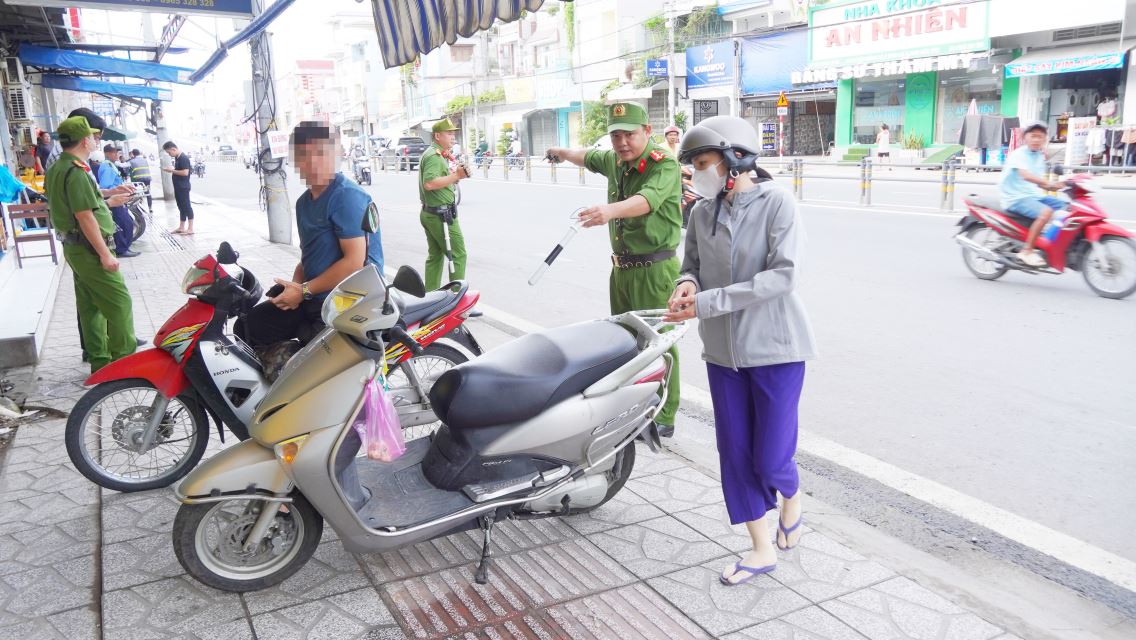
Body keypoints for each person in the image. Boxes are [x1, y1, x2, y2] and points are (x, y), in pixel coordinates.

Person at [664, 115, 816, 585]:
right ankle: (760, 546)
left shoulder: (778, 203)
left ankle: (790, 496)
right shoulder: (701, 213)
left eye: (703, 163)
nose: (696, 174)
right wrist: (687, 286)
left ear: (735, 158)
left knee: (771, 459)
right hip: (723, 353)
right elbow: (690, 265)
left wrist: (706, 302)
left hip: (776, 348)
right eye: (692, 166)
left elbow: (782, 276)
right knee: (734, 452)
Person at [545, 102, 683, 437]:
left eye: (629, 134)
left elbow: (647, 200)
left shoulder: (662, 165)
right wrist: (561, 151)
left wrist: (609, 211)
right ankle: (635, 402)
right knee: (625, 341)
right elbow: (587, 157)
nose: (622, 142)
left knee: (659, 341)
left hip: (654, 267)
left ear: (647, 131)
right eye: (616, 135)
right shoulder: (615, 160)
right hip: (622, 269)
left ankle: (664, 415)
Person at [236, 122, 384, 349]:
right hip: (316, 298)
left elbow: (354, 262)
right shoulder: (304, 203)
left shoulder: (346, 196)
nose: (313, 163)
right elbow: (309, 257)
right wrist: (294, 288)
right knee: (248, 326)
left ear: (336, 155)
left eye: (321, 154)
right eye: (304, 155)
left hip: (351, 304)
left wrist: (303, 291)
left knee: (311, 366)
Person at [46, 116, 137, 373]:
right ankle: (123, 365)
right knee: (119, 303)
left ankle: (100, 362)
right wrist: (105, 255)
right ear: (85, 140)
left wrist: (109, 198)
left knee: (90, 307)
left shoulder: (58, 167)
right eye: (94, 136)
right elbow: (84, 215)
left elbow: (79, 205)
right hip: (89, 248)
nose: (96, 140)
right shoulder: (76, 171)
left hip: (76, 247)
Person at [999, 120, 1067, 268]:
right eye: (1033, 136)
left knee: (1069, 208)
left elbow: (1038, 182)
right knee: (1046, 213)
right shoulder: (1018, 154)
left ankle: (1052, 243)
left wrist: (1061, 185)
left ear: (1045, 139)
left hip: (1033, 196)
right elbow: (1026, 176)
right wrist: (1048, 184)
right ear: (1025, 138)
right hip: (1015, 197)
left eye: (1040, 136)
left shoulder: (1039, 156)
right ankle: (1027, 251)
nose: (1036, 139)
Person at [419, 118, 470, 290]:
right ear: (437, 136)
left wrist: (454, 175)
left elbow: (438, 180)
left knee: (435, 256)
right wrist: (457, 176)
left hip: (431, 213)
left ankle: (430, 297)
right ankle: (456, 299)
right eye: (449, 133)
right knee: (458, 255)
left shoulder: (436, 153)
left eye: (453, 133)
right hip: (440, 215)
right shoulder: (434, 156)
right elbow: (430, 183)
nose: (453, 136)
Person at [96, 145, 139, 258]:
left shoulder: (110, 165)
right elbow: (105, 186)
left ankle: (123, 248)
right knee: (123, 224)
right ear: (107, 153)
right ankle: (121, 249)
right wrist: (117, 190)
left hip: (117, 197)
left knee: (126, 222)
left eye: (117, 152)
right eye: (114, 153)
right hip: (114, 199)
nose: (117, 155)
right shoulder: (107, 166)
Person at [161, 141, 194, 234]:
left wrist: (172, 171)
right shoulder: (177, 157)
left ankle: (190, 228)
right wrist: (172, 169)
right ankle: (181, 227)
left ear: (173, 149)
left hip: (183, 187)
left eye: (169, 152)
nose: (169, 154)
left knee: (187, 206)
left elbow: (185, 173)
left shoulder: (183, 158)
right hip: (178, 186)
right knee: (181, 207)